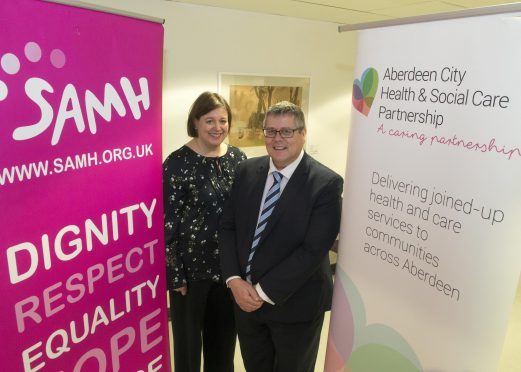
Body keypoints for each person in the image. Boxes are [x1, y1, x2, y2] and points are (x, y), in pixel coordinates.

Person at [220, 101, 343, 372]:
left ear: (303, 133)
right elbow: (228, 226)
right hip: (245, 302)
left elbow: (312, 251)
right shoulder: (247, 171)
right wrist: (234, 280)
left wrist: (261, 292)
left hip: (295, 305)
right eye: (271, 131)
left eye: (286, 132)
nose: (278, 139)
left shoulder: (326, 184)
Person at [163, 91, 246, 372]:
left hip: (229, 270)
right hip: (191, 272)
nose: (217, 127)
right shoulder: (176, 163)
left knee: (223, 344)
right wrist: (174, 274)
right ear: (195, 122)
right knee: (188, 347)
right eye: (209, 120)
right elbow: (168, 223)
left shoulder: (238, 158)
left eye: (223, 120)